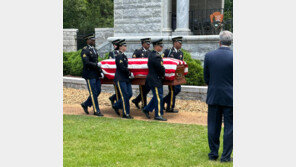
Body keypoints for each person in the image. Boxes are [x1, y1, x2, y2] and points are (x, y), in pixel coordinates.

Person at [204, 31, 233, 162]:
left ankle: (213, 154)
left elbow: (206, 78)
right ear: (231, 42)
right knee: (230, 128)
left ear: (219, 42)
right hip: (230, 97)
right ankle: (226, 157)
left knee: (213, 126)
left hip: (214, 95)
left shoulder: (209, 56)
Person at [142, 39, 167, 121]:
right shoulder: (156, 56)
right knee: (159, 97)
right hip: (155, 79)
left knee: (157, 96)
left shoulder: (151, 54)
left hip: (154, 79)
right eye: (160, 46)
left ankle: (147, 109)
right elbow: (160, 68)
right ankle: (158, 115)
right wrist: (163, 75)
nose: (162, 47)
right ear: (156, 46)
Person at [80, 34, 104, 117]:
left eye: (94, 39)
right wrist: (96, 65)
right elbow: (86, 63)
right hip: (89, 74)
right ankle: (96, 111)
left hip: (96, 74)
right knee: (93, 92)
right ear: (88, 40)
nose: (94, 41)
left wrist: (100, 71)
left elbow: (96, 61)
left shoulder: (94, 49)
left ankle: (85, 104)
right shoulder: (85, 50)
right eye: (92, 40)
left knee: (98, 91)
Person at [112, 39, 135, 119]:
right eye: (124, 46)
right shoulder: (119, 56)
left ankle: (116, 105)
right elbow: (122, 67)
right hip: (120, 78)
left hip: (125, 78)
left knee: (129, 94)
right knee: (125, 95)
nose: (126, 47)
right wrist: (129, 72)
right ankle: (126, 114)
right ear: (120, 47)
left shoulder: (123, 56)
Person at [163, 36, 184, 113]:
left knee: (178, 89)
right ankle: (170, 107)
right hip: (170, 74)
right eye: (179, 43)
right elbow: (163, 61)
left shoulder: (181, 53)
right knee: (172, 90)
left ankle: (163, 101)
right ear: (175, 43)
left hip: (178, 75)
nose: (181, 44)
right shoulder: (168, 51)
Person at [131, 38, 152, 109]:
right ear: (143, 44)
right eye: (147, 43)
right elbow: (133, 62)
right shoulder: (138, 52)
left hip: (148, 74)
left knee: (148, 88)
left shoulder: (150, 52)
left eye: (149, 43)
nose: (148, 45)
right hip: (140, 75)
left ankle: (136, 100)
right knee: (143, 89)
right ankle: (144, 105)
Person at [108, 39, 121, 108]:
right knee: (118, 89)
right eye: (115, 45)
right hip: (115, 74)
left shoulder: (121, 53)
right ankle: (118, 105)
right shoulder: (112, 53)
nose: (115, 46)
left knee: (120, 90)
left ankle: (113, 98)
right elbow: (111, 63)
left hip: (120, 74)